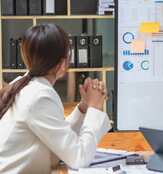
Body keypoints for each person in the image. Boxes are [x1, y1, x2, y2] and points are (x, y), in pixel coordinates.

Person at [0, 24, 111, 173]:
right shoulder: (39, 97)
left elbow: (56, 135)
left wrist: (84, 108)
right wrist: (95, 108)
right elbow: (79, 158)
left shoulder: (24, 85)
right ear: (62, 63)